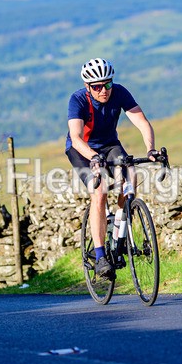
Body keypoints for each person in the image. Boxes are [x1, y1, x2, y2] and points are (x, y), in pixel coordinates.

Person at [66, 58, 159, 280]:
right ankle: (100, 257)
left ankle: (119, 230)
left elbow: (142, 122)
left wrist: (151, 149)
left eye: (107, 84)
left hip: (110, 145)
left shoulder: (119, 92)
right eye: (97, 87)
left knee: (131, 176)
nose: (104, 91)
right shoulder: (78, 99)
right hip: (82, 150)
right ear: (88, 87)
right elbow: (76, 138)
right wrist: (93, 158)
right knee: (99, 193)